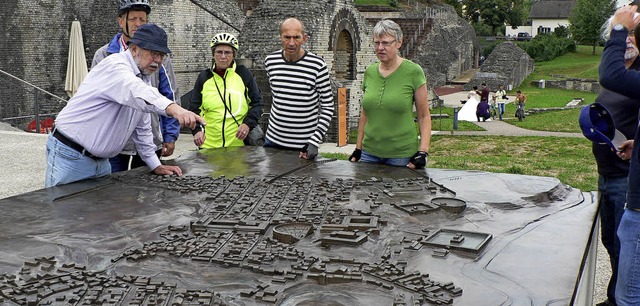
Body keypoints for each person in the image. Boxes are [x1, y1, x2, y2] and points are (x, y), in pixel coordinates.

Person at [46, 24, 205, 187]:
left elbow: (142, 127)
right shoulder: (115, 66)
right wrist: (175, 109)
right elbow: (136, 90)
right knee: (65, 210)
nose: (158, 60)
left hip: (100, 162)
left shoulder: (143, 76)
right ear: (134, 49)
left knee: (100, 210)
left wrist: (156, 165)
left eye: (162, 55)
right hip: (71, 154)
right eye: (153, 53)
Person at [92, 0, 181, 173]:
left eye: (142, 19)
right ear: (121, 22)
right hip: (116, 140)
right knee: (114, 191)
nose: (138, 24)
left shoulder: (160, 57)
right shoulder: (104, 55)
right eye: (133, 19)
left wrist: (170, 135)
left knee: (150, 191)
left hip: (149, 137)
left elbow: (169, 94)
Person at [591, 14, 640, 306]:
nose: (628, 39)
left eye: (634, 34)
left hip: (626, 179)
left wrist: (619, 28)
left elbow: (610, 74)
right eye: (626, 33)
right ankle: (613, 298)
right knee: (611, 242)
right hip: (609, 173)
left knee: (628, 249)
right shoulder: (623, 76)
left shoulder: (624, 76)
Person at [347, 19, 431, 169]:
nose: (380, 48)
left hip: (401, 155)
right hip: (369, 153)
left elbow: (424, 115)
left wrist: (423, 151)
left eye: (386, 43)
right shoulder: (369, 72)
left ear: (399, 43)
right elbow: (365, 114)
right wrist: (358, 147)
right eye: (377, 43)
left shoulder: (413, 72)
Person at [263, 17, 334, 160]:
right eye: (287, 37)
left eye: (296, 37)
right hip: (272, 141)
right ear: (280, 38)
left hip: (303, 146)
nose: (291, 43)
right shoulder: (270, 61)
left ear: (304, 38)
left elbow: (328, 106)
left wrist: (314, 141)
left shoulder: (317, 66)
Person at [189, 32, 264, 148]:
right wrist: (197, 131)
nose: (223, 56)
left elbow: (258, 103)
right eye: (219, 52)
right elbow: (194, 108)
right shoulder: (204, 77)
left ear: (233, 55)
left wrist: (247, 124)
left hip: (238, 145)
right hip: (208, 146)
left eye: (227, 52)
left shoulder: (243, 74)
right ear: (213, 54)